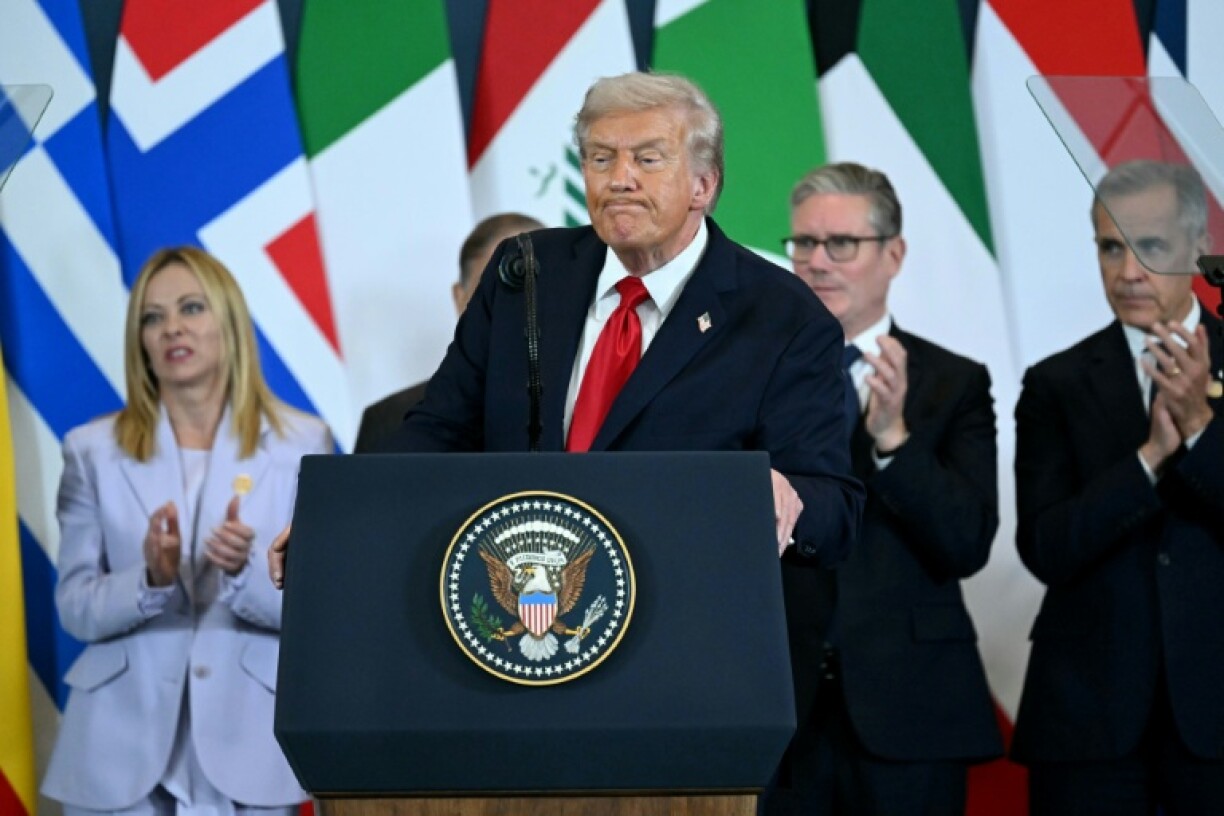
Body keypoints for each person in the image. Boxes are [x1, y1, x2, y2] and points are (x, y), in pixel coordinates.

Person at [272, 71, 861, 588]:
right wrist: (338, 520)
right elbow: (439, 430)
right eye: (601, 159)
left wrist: (788, 497)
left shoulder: (783, 317)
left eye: (648, 159)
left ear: (704, 185)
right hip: (518, 609)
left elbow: (834, 509)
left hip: (684, 627)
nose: (620, 178)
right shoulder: (524, 275)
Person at [42, 247, 332, 814]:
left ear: (227, 322)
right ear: (140, 342)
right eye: (152, 317)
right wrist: (149, 578)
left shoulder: (305, 444)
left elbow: (316, 616)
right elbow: (75, 608)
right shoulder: (90, 451)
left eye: (191, 307)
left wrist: (243, 571)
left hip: (251, 746)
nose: (172, 326)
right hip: (115, 753)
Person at [761, 162, 1002, 815]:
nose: (816, 261)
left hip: (912, 707)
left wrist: (895, 441)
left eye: (840, 244)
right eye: (803, 243)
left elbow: (967, 543)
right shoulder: (750, 374)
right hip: (780, 705)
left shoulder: (953, 383)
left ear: (893, 253)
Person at [1012, 159, 1224, 814]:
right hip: (1088, 722)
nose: (1128, 272)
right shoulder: (1056, 384)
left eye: (1151, 247)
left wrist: (1197, 432)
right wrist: (1149, 458)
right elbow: (1046, 547)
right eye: (1110, 246)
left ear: (1197, 249)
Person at [353, 212, 544, 453]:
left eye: (536, 288)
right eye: (491, 293)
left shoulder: (591, 412)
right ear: (459, 297)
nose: (516, 309)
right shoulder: (389, 420)